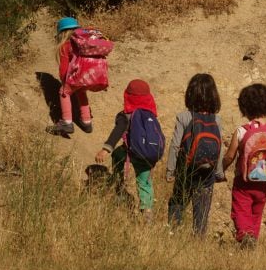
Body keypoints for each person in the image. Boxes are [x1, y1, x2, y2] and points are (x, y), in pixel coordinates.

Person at [222, 83, 266, 247]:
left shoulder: (241, 131)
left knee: (241, 210)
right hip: (264, 182)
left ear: (244, 108)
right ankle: (252, 237)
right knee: (257, 211)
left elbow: (230, 155)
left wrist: (221, 169)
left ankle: (245, 236)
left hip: (243, 181)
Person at [95, 79, 163, 222]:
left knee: (116, 155)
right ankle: (147, 210)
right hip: (146, 155)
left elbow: (118, 131)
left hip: (130, 152)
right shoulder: (151, 115)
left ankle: (118, 186)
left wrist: (105, 149)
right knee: (144, 182)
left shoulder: (125, 115)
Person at [166, 73, 224, 235]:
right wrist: (219, 172)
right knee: (202, 210)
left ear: (190, 94)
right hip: (208, 173)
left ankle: (173, 233)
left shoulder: (184, 117)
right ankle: (198, 239)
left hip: (186, 170)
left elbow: (175, 146)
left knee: (177, 203)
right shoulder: (216, 119)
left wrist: (170, 171)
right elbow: (220, 149)